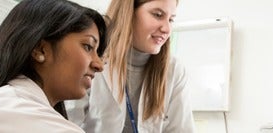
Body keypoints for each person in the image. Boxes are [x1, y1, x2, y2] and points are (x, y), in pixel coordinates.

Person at [0, 0, 107, 132]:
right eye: (88, 46)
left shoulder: (5, 103)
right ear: (40, 49)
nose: (99, 65)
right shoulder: (14, 113)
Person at [65, 0, 195, 132]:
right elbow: (66, 125)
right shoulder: (91, 59)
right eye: (158, 15)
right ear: (128, 13)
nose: (166, 29)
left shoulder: (174, 70)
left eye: (171, 20)